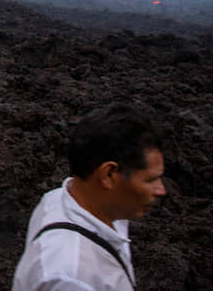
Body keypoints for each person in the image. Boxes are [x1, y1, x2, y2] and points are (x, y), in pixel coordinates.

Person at [12, 105, 167, 290]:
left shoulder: (60, 199)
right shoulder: (70, 277)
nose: (161, 190)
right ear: (109, 174)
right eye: (151, 180)